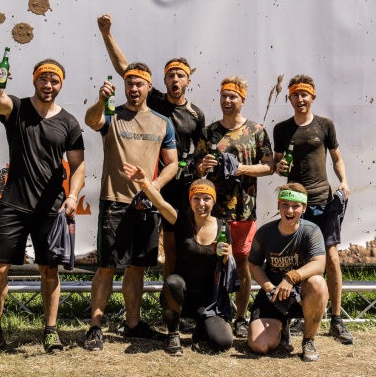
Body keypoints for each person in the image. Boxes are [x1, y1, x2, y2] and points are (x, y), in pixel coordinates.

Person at [0, 59, 86, 357]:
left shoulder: (69, 122)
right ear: (34, 80)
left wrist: (73, 196)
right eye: (43, 79)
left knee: (49, 270)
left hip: (51, 209)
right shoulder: (17, 108)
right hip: (13, 203)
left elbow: (78, 165)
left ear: (61, 84)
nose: (48, 85)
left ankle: (50, 331)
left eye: (54, 80)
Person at [96, 14, 205, 278]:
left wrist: (200, 172)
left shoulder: (196, 114)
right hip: (146, 182)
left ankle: (177, 295)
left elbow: (201, 152)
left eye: (180, 75)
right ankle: (164, 295)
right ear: (163, 81)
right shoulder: (152, 99)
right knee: (152, 250)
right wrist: (107, 34)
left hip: (178, 182)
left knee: (181, 244)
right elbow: (125, 68)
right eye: (171, 75)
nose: (175, 80)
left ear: (188, 81)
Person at [83, 64, 178, 351]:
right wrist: (101, 100)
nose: (134, 89)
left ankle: (133, 324)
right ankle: (95, 327)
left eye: (139, 84)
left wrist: (153, 186)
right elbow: (91, 120)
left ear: (149, 87)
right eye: (129, 84)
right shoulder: (112, 115)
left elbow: (172, 164)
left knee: (137, 267)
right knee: (107, 267)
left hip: (146, 206)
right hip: (115, 201)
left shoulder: (163, 122)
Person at [272, 74, 353, 344]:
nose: (300, 99)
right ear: (290, 98)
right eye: (295, 94)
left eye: (304, 94)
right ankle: (293, 318)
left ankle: (337, 320)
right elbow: (278, 163)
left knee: (331, 259)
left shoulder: (325, 125)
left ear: (313, 96)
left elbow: (337, 158)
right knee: (295, 261)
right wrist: (280, 166)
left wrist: (344, 181)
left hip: (322, 201)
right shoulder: (281, 129)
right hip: (294, 204)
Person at [122, 162, 234, 356]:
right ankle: (173, 334)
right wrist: (144, 182)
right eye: (196, 198)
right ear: (190, 200)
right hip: (180, 293)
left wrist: (225, 257)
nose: (201, 204)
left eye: (206, 199)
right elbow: (160, 203)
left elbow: (229, 267)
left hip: (207, 302)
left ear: (213, 201)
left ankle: (201, 328)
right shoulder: (181, 220)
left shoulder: (222, 227)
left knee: (222, 342)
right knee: (173, 282)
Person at [195, 76, 273, 339]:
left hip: (243, 211)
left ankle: (240, 317)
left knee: (242, 263)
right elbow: (195, 167)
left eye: (233, 97)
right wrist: (202, 166)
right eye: (224, 96)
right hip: (212, 213)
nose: (227, 101)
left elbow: (269, 166)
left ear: (242, 100)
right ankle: (211, 314)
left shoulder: (256, 131)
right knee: (211, 263)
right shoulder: (208, 132)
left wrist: (241, 169)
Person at [247, 183, 328, 362]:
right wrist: (269, 287)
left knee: (318, 283)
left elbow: (319, 264)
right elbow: (253, 265)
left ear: (304, 208)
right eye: (285, 205)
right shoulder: (264, 233)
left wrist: (291, 278)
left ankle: (309, 340)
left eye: (295, 206)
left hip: (301, 294)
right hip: (274, 294)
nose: (289, 210)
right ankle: (282, 326)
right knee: (259, 346)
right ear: (278, 206)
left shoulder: (311, 231)